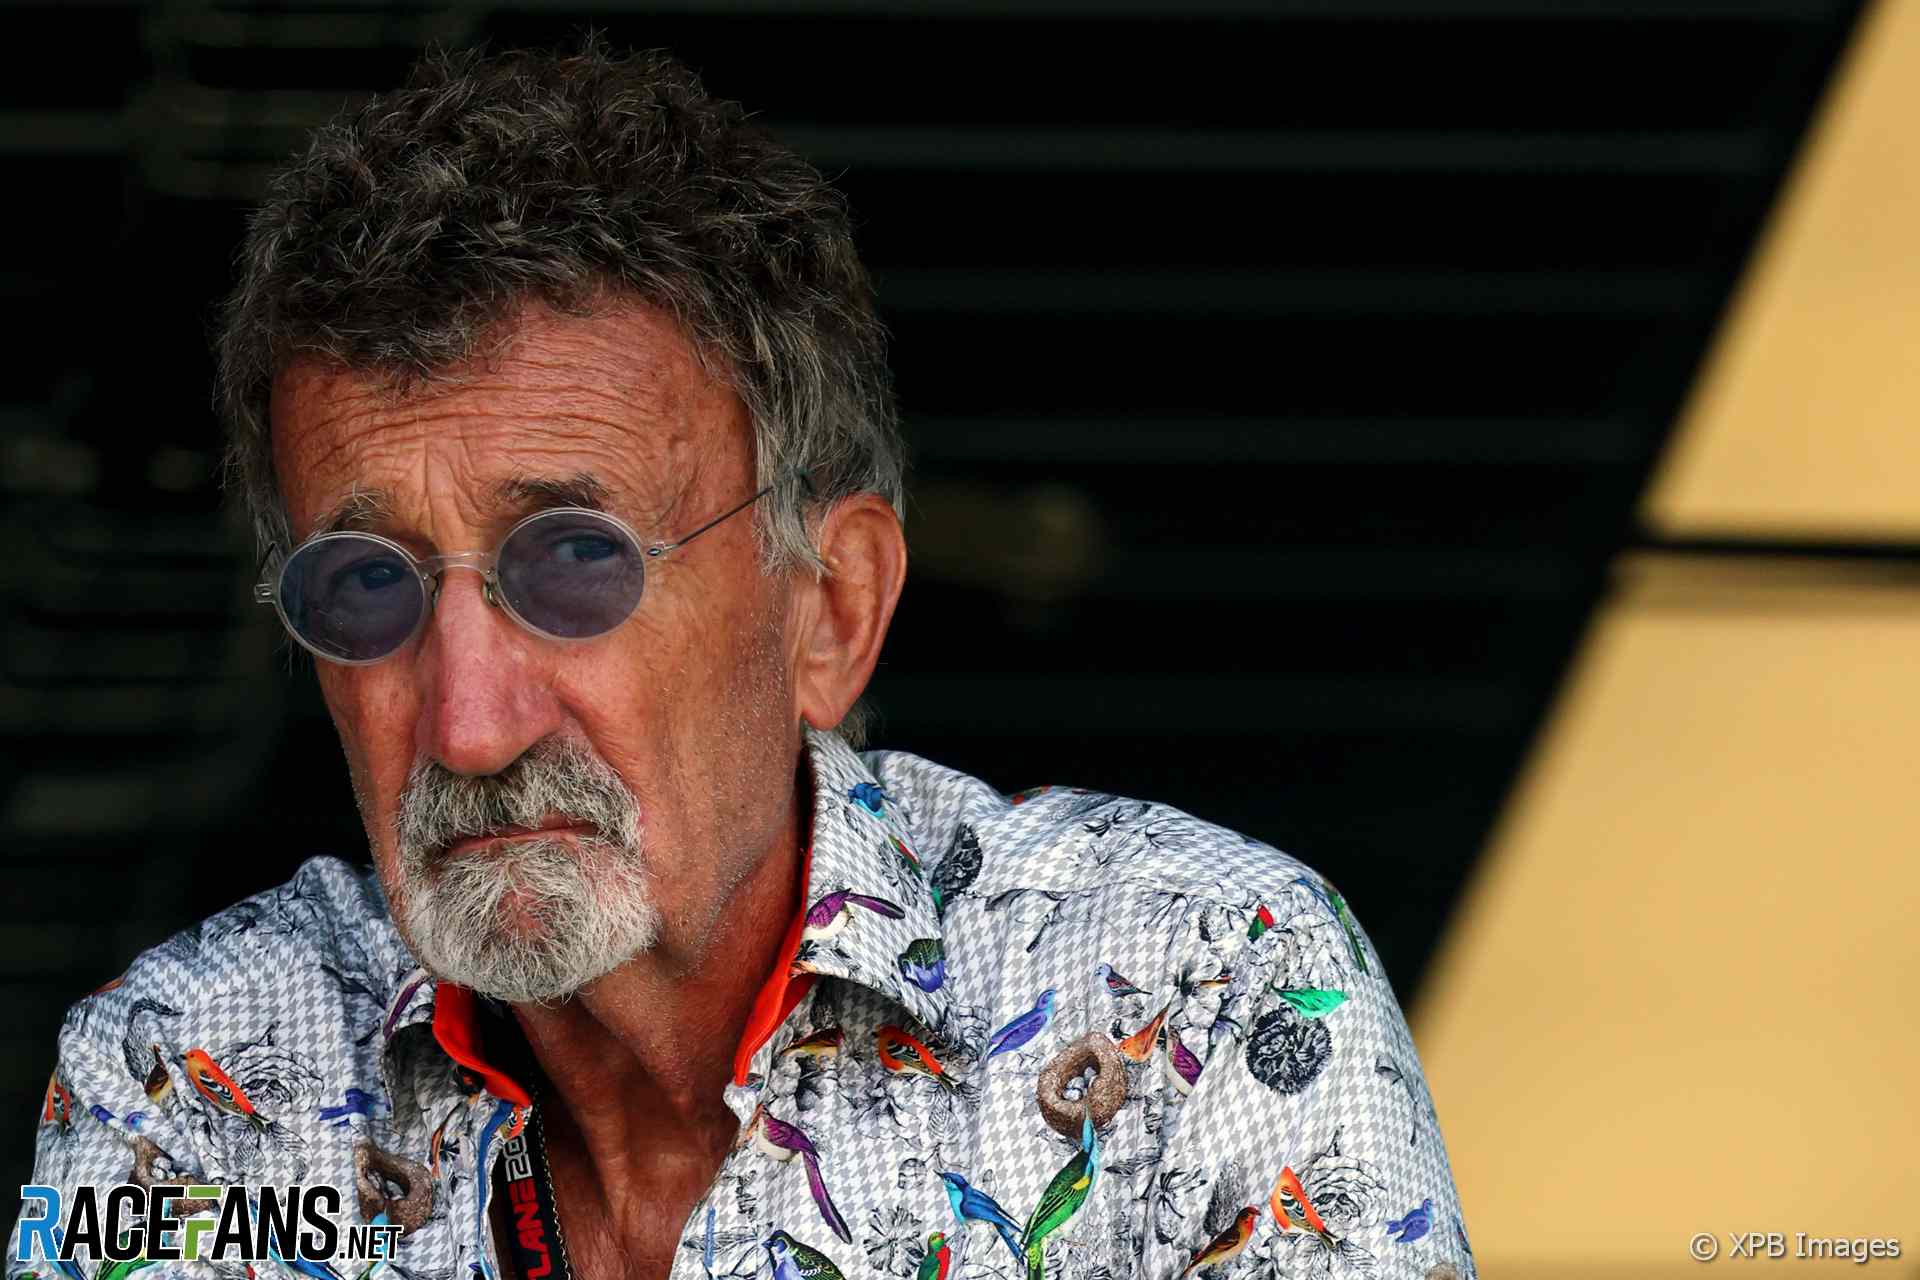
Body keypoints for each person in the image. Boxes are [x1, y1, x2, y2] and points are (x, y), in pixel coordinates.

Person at [10, 39, 1472, 1280]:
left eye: (573, 566)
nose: (465, 725)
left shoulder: (1196, 994)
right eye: (367, 586)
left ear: (828, 612)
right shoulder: (191, 1088)